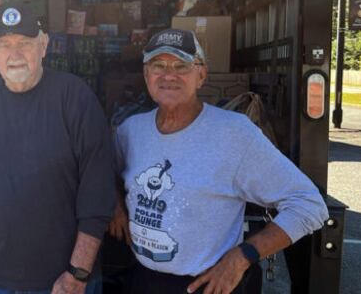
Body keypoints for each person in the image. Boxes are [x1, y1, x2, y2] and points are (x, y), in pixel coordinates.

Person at [108, 29, 329, 294]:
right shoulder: (131, 131)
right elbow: (109, 174)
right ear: (146, 75)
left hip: (207, 285)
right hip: (143, 280)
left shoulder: (234, 133)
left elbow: (309, 204)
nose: (169, 75)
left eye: (181, 66)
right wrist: (116, 203)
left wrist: (243, 256)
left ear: (201, 75)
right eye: (159, 66)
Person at [0, 3, 116, 294]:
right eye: (4, 45)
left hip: (62, 281)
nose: (15, 54)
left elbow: (97, 193)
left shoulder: (75, 98)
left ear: (44, 46)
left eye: (24, 43)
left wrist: (78, 273)